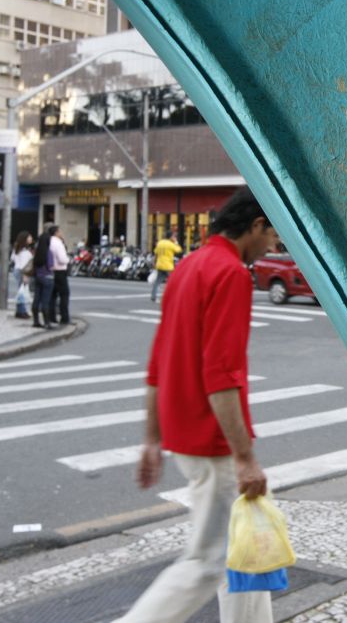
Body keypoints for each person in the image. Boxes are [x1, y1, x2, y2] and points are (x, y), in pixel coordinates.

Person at [116, 187, 275, 623]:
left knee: (244, 556)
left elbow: (157, 360)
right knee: (208, 561)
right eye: (273, 238)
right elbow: (221, 375)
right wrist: (245, 458)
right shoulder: (231, 274)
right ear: (256, 225)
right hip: (211, 440)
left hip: (185, 431)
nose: (272, 249)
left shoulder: (188, 266)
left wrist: (152, 438)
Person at [31, 228, 56, 330]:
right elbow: (51, 266)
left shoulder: (37, 252)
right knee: (46, 301)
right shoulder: (48, 252)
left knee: (36, 299)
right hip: (48, 277)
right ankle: (46, 322)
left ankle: (36, 321)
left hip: (38, 277)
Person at [151, 230, 183, 302]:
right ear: (171, 237)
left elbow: (156, 253)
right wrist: (176, 242)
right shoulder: (170, 244)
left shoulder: (160, 243)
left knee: (157, 281)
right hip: (168, 266)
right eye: (174, 236)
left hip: (159, 265)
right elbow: (179, 250)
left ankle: (153, 296)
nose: (175, 237)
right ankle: (173, 296)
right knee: (173, 281)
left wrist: (154, 262)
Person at [48, 224, 71, 324]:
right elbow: (62, 259)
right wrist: (68, 260)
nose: (61, 233)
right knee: (64, 294)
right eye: (60, 231)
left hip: (51, 270)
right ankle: (64, 317)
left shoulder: (48, 241)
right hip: (60, 270)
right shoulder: (58, 243)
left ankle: (51, 316)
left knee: (52, 295)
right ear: (56, 232)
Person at [11, 231, 34, 319]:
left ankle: (19, 311)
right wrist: (25, 275)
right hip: (22, 271)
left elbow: (12, 258)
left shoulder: (17, 248)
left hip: (17, 270)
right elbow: (24, 265)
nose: (31, 238)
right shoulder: (24, 251)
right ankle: (22, 311)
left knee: (21, 291)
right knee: (23, 292)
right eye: (29, 237)